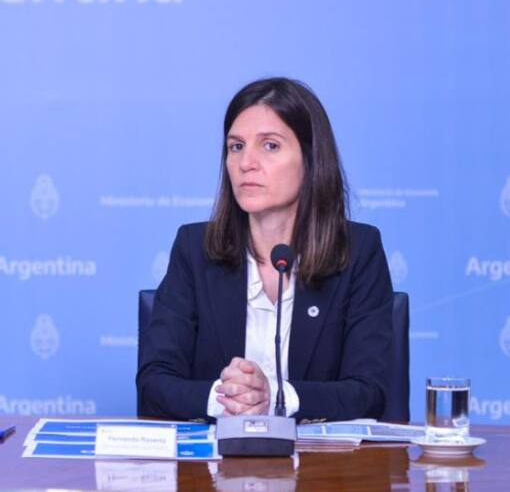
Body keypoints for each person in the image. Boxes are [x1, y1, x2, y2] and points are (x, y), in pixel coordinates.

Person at [137, 77, 393, 422]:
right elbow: (154, 382)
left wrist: (274, 397)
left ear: (311, 158)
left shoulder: (359, 252)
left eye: (270, 146)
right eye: (236, 146)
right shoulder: (194, 248)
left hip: (323, 473)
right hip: (211, 468)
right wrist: (227, 398)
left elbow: (370, 392)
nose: (246, 163)